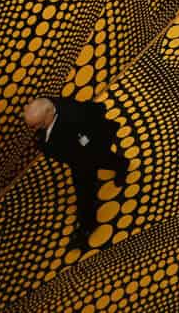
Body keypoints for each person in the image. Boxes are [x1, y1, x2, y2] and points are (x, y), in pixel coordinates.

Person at [23, 96, 130, 249]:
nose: (33, 130)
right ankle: (121, 164)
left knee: (84, 193)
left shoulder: (72, 118)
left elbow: (93, 114)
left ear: (48, 114)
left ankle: (88, 226)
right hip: (78, 151)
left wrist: (86, 149)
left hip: (83, 156)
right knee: (104, 158)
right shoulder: (49, 108)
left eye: (36, 125)